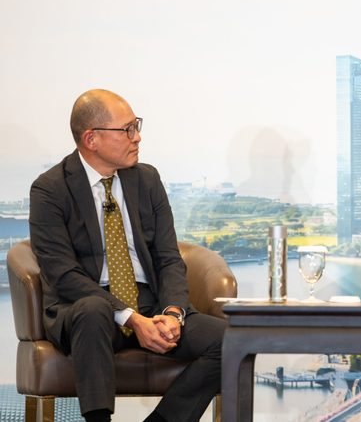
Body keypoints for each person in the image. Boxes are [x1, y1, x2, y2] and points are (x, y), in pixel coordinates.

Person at [29, 89, 226, 422]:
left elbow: (168, 257)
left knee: (232, 341)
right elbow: (64, 275)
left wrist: (173, 313)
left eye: (137, 126)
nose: (137, 137)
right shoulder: (50, 190)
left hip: (149, 302)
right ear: (91, 139)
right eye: (127, 129)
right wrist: (131, 319)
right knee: (93, 310)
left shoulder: (147, 179)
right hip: (84, 309)